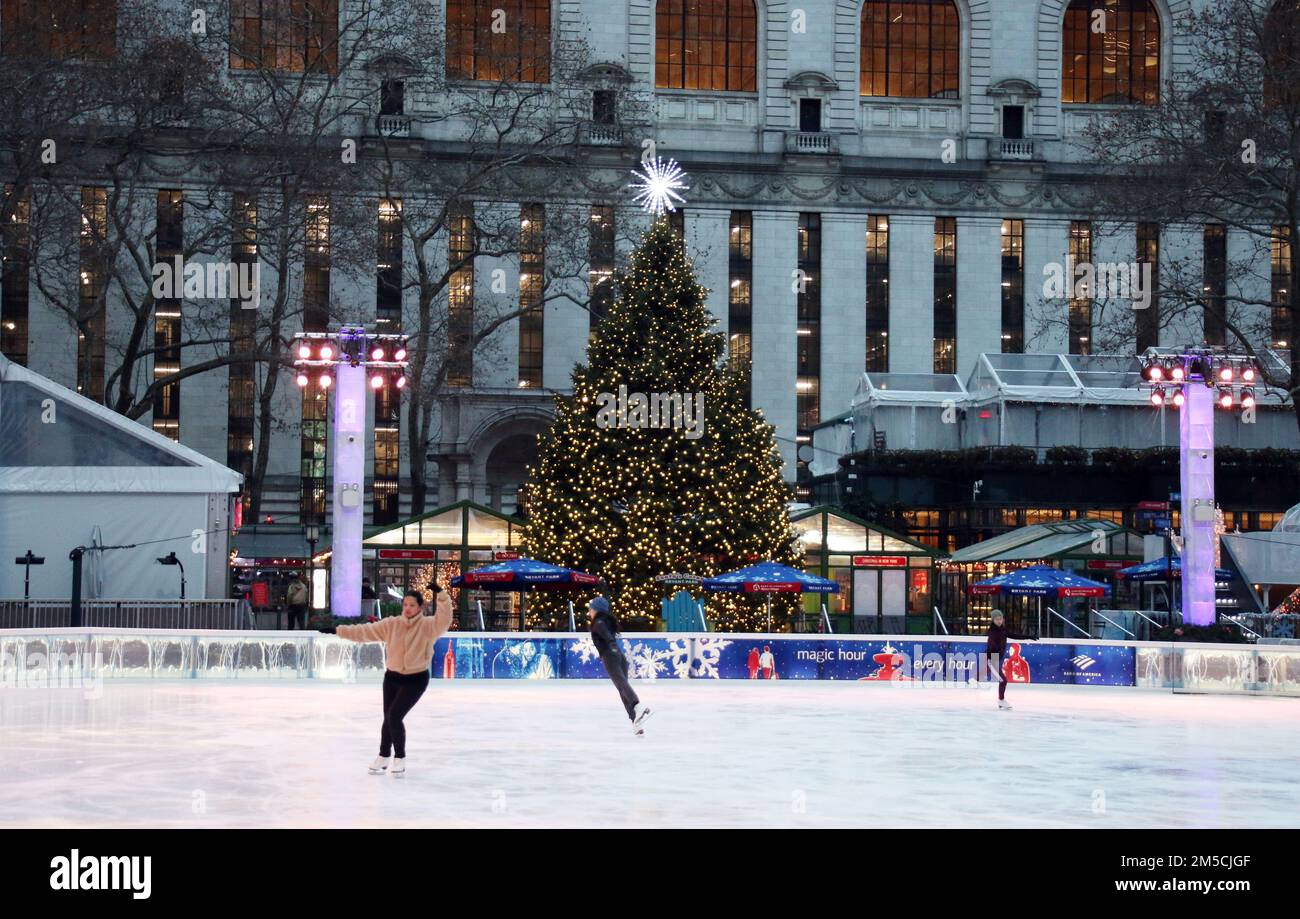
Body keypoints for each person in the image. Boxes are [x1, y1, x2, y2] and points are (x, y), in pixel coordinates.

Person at [335, 585, 454, 776]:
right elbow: (365, 631)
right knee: (388, 717)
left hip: (416, 679)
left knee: (395, 716)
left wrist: (441, 596)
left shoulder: (429, 626)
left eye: (412, 605)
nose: (407, 608)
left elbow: (445, 618)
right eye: (405, 604)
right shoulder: (391, 624)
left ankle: (399, 758)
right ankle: (383, 757)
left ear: (420, 608)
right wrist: (338, 630)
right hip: (392, 678)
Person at [587, 596, 651, 734]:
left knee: (622, 685)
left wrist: (610, 647)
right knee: (622, 688)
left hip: (610, 655)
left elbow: (607, 637)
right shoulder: (606, 621)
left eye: (591, 609)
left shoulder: (598, 622)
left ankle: (637, 705)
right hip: (618, 655)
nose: (589, 612)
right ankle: (636, 722)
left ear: (597, 610)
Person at [985, 609, 1035, 710]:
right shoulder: (992, 631)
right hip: (992, 658)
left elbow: (1014, 635)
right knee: (1003, 680)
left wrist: (1028, 637)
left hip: (997, 658)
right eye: (997, 619)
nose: (999, 621)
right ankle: (1001, 700)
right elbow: (991, 644)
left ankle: (1000, 701)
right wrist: (994, 650)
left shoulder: (1002, 629)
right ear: (993, 620)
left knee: (1002, 680)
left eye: (1001, 619)